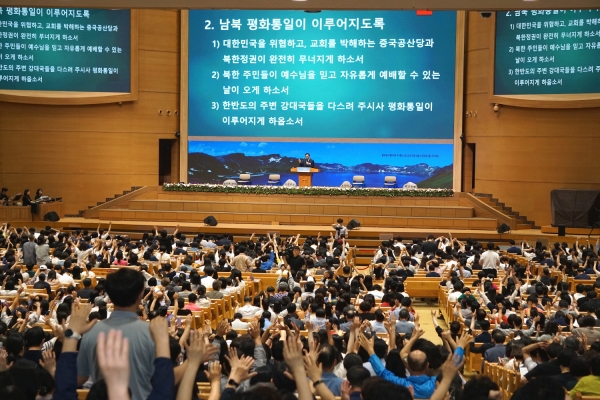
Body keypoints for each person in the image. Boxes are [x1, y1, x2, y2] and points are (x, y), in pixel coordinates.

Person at [77, 268, 156, 400]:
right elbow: (164, 378)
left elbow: (80, 377)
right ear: (140, 294)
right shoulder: (153, 332)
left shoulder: (91, 331)